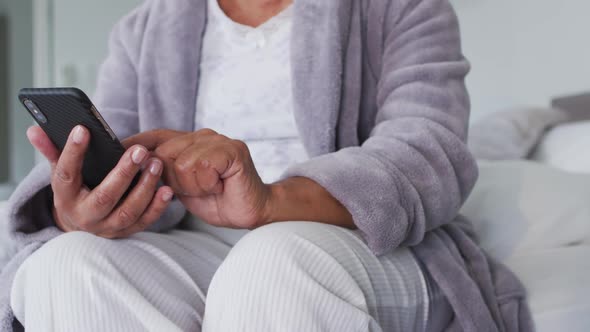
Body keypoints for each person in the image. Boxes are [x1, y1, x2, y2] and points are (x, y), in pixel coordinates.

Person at [0, 0, 533, 331]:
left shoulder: (398, 8)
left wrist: (271, 202)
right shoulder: (144, 29)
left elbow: (429, 153)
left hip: (358, 244)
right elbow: (112, 149)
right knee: (63, 265)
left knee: (271, 263)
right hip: (197, 245)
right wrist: (79, 210)